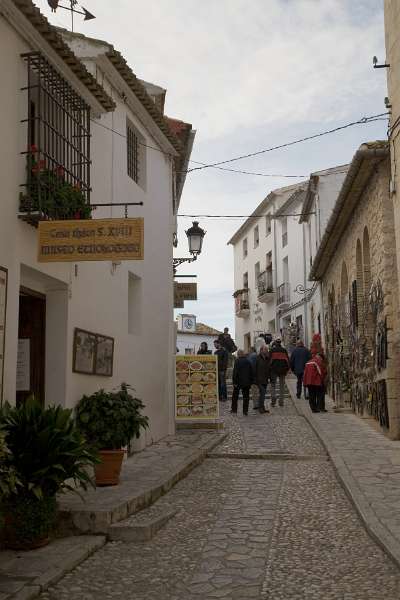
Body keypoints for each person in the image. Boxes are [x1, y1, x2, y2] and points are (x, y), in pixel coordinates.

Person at [231, 349, 253, 415]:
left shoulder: (237, 361)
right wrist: (250, 381)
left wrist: (234, 382)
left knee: (235, 397)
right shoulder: (248, 361)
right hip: (246, 382)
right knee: (246, 397)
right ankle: (245, 411)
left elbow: (235, 372)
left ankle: (234, 409)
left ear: (239, 354)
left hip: (238, 382)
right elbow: (251, 372)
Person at [269, 338, 290, 407]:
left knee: (273, 385)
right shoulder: (284, 351)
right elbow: (287, 361)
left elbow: (269, 361)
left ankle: (273, 398)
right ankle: (281, 401)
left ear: (275, 343)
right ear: (280, 343)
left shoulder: (272, 350)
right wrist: (287, 370)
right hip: (282, 371)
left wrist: (269, 369)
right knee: (281, 386)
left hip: (273, 370)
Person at [255, 344, 271, 414]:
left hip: (265, 379)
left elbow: (269, 369)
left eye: (267, 349)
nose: (267, 351)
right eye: (265, 349)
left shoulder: (267, 358)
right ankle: (261, 408)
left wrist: (270, 377)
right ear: (261, 350)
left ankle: (262, 407)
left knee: (262, 394)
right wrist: (255, 379)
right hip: (259, 379)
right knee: (263, 393)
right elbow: (254, 369)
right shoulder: (257, 358)